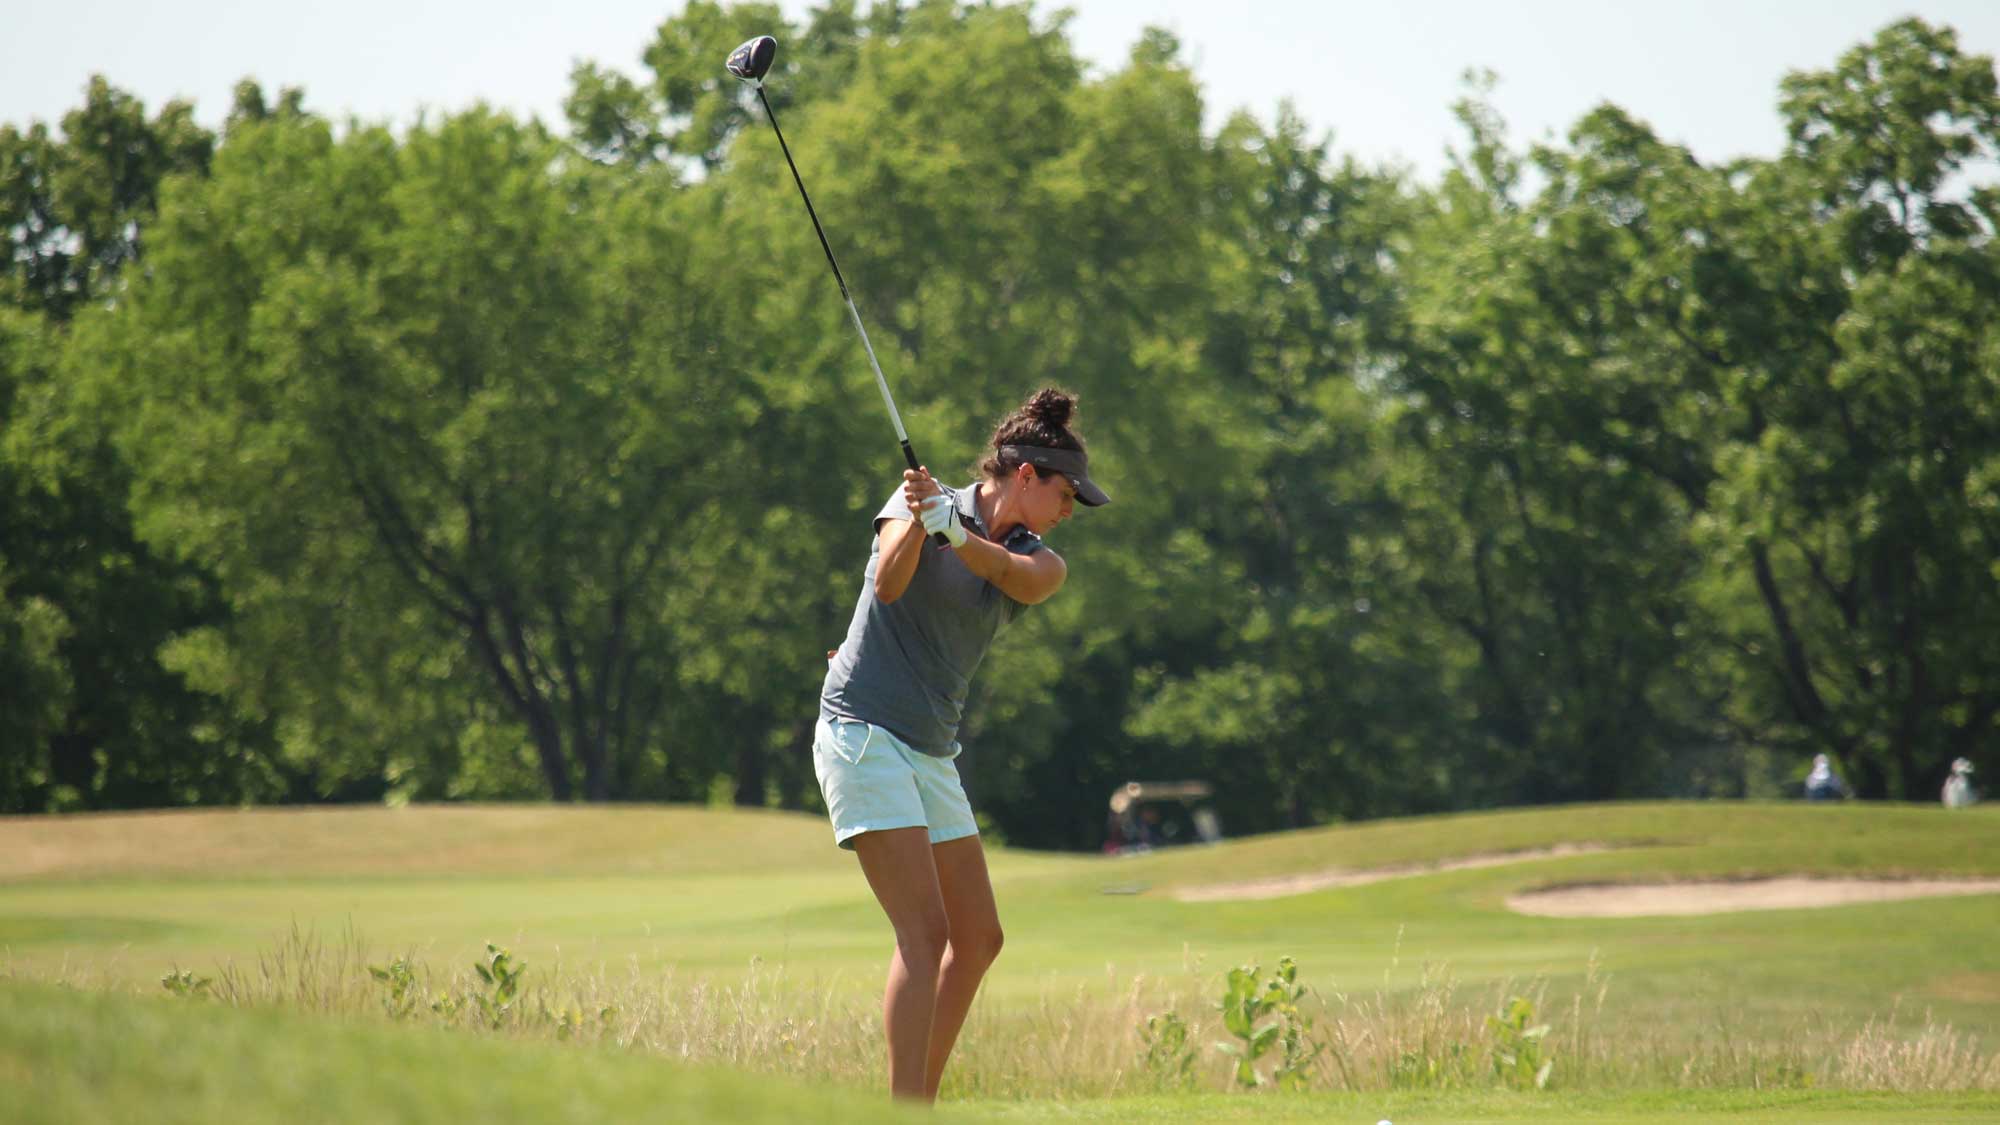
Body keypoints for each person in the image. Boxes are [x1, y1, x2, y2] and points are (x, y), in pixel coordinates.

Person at [812, 387, 1109, 1102]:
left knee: (978, 937)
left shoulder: (1039, 559)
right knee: (925, 930)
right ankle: (904, 1110)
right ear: (1026, 476)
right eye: (1066, 494)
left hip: (929, 748)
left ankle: (920, 1100)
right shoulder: (913, 502)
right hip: (864, 730)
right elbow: (886, 586)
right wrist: (921, 520)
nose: (1069, 511)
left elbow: (1012, 576)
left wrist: (951, 529)